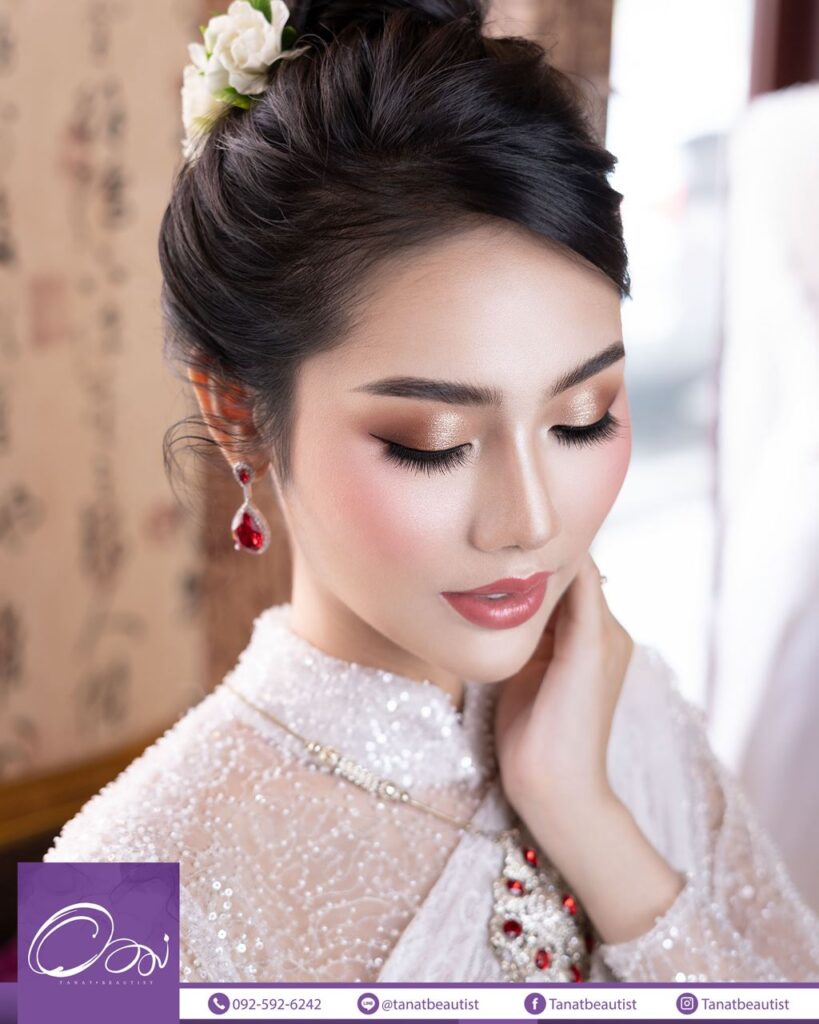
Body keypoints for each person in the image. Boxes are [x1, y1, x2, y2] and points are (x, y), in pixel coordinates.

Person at [44, 0, 819, 984]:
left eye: (582, 418)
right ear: (237, 409)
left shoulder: (628, 709)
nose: (533, 522)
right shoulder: (113, 889)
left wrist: (592, 822)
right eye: (433, 443)